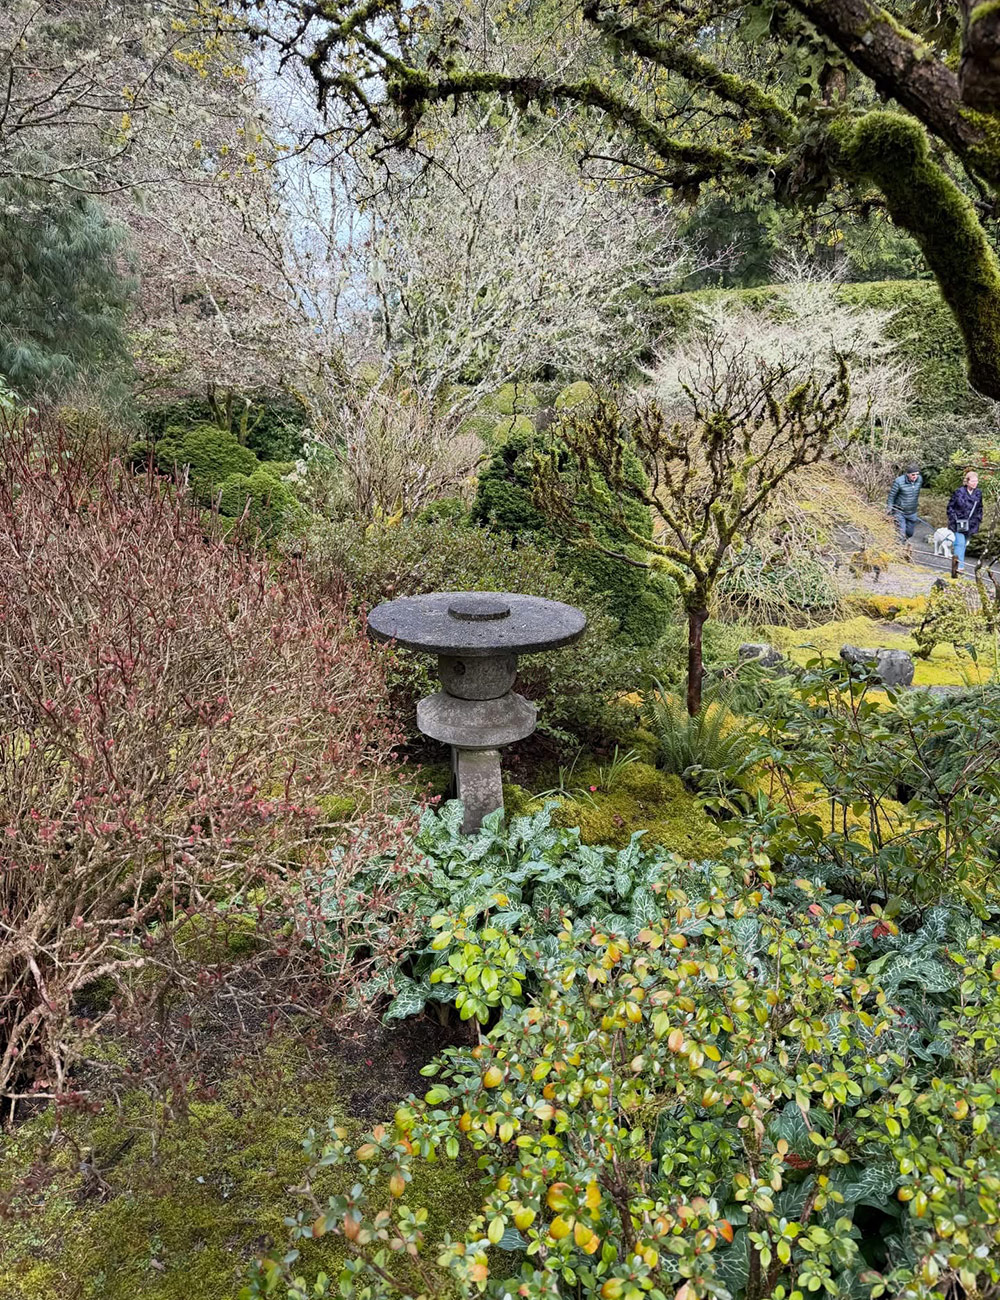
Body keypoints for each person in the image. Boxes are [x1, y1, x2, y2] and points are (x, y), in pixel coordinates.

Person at [947, 469, 983, 575]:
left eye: (976, 481)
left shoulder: (978, 493)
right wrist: (954, 518)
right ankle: (959, 567)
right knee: (959, 543)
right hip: (958, 522)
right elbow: (950, 506)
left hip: (971, 523)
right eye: (973, 481)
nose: (975, 483)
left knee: (964, 544)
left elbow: (980, 508)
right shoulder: (959, 492)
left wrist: (978, 519)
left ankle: (958, 564)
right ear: (967, 481)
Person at [887, 462, 923, 551]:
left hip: (912, 512)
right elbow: (891, 496)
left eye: (917, 474)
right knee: (901, 533)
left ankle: (900, 543)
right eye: (913, 475)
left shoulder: (919, 479)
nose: (915, 476)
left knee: (910, 533)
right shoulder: (899, 481)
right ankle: (899, 550)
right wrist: (889, 508)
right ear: (907, 474)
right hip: (900, 512)